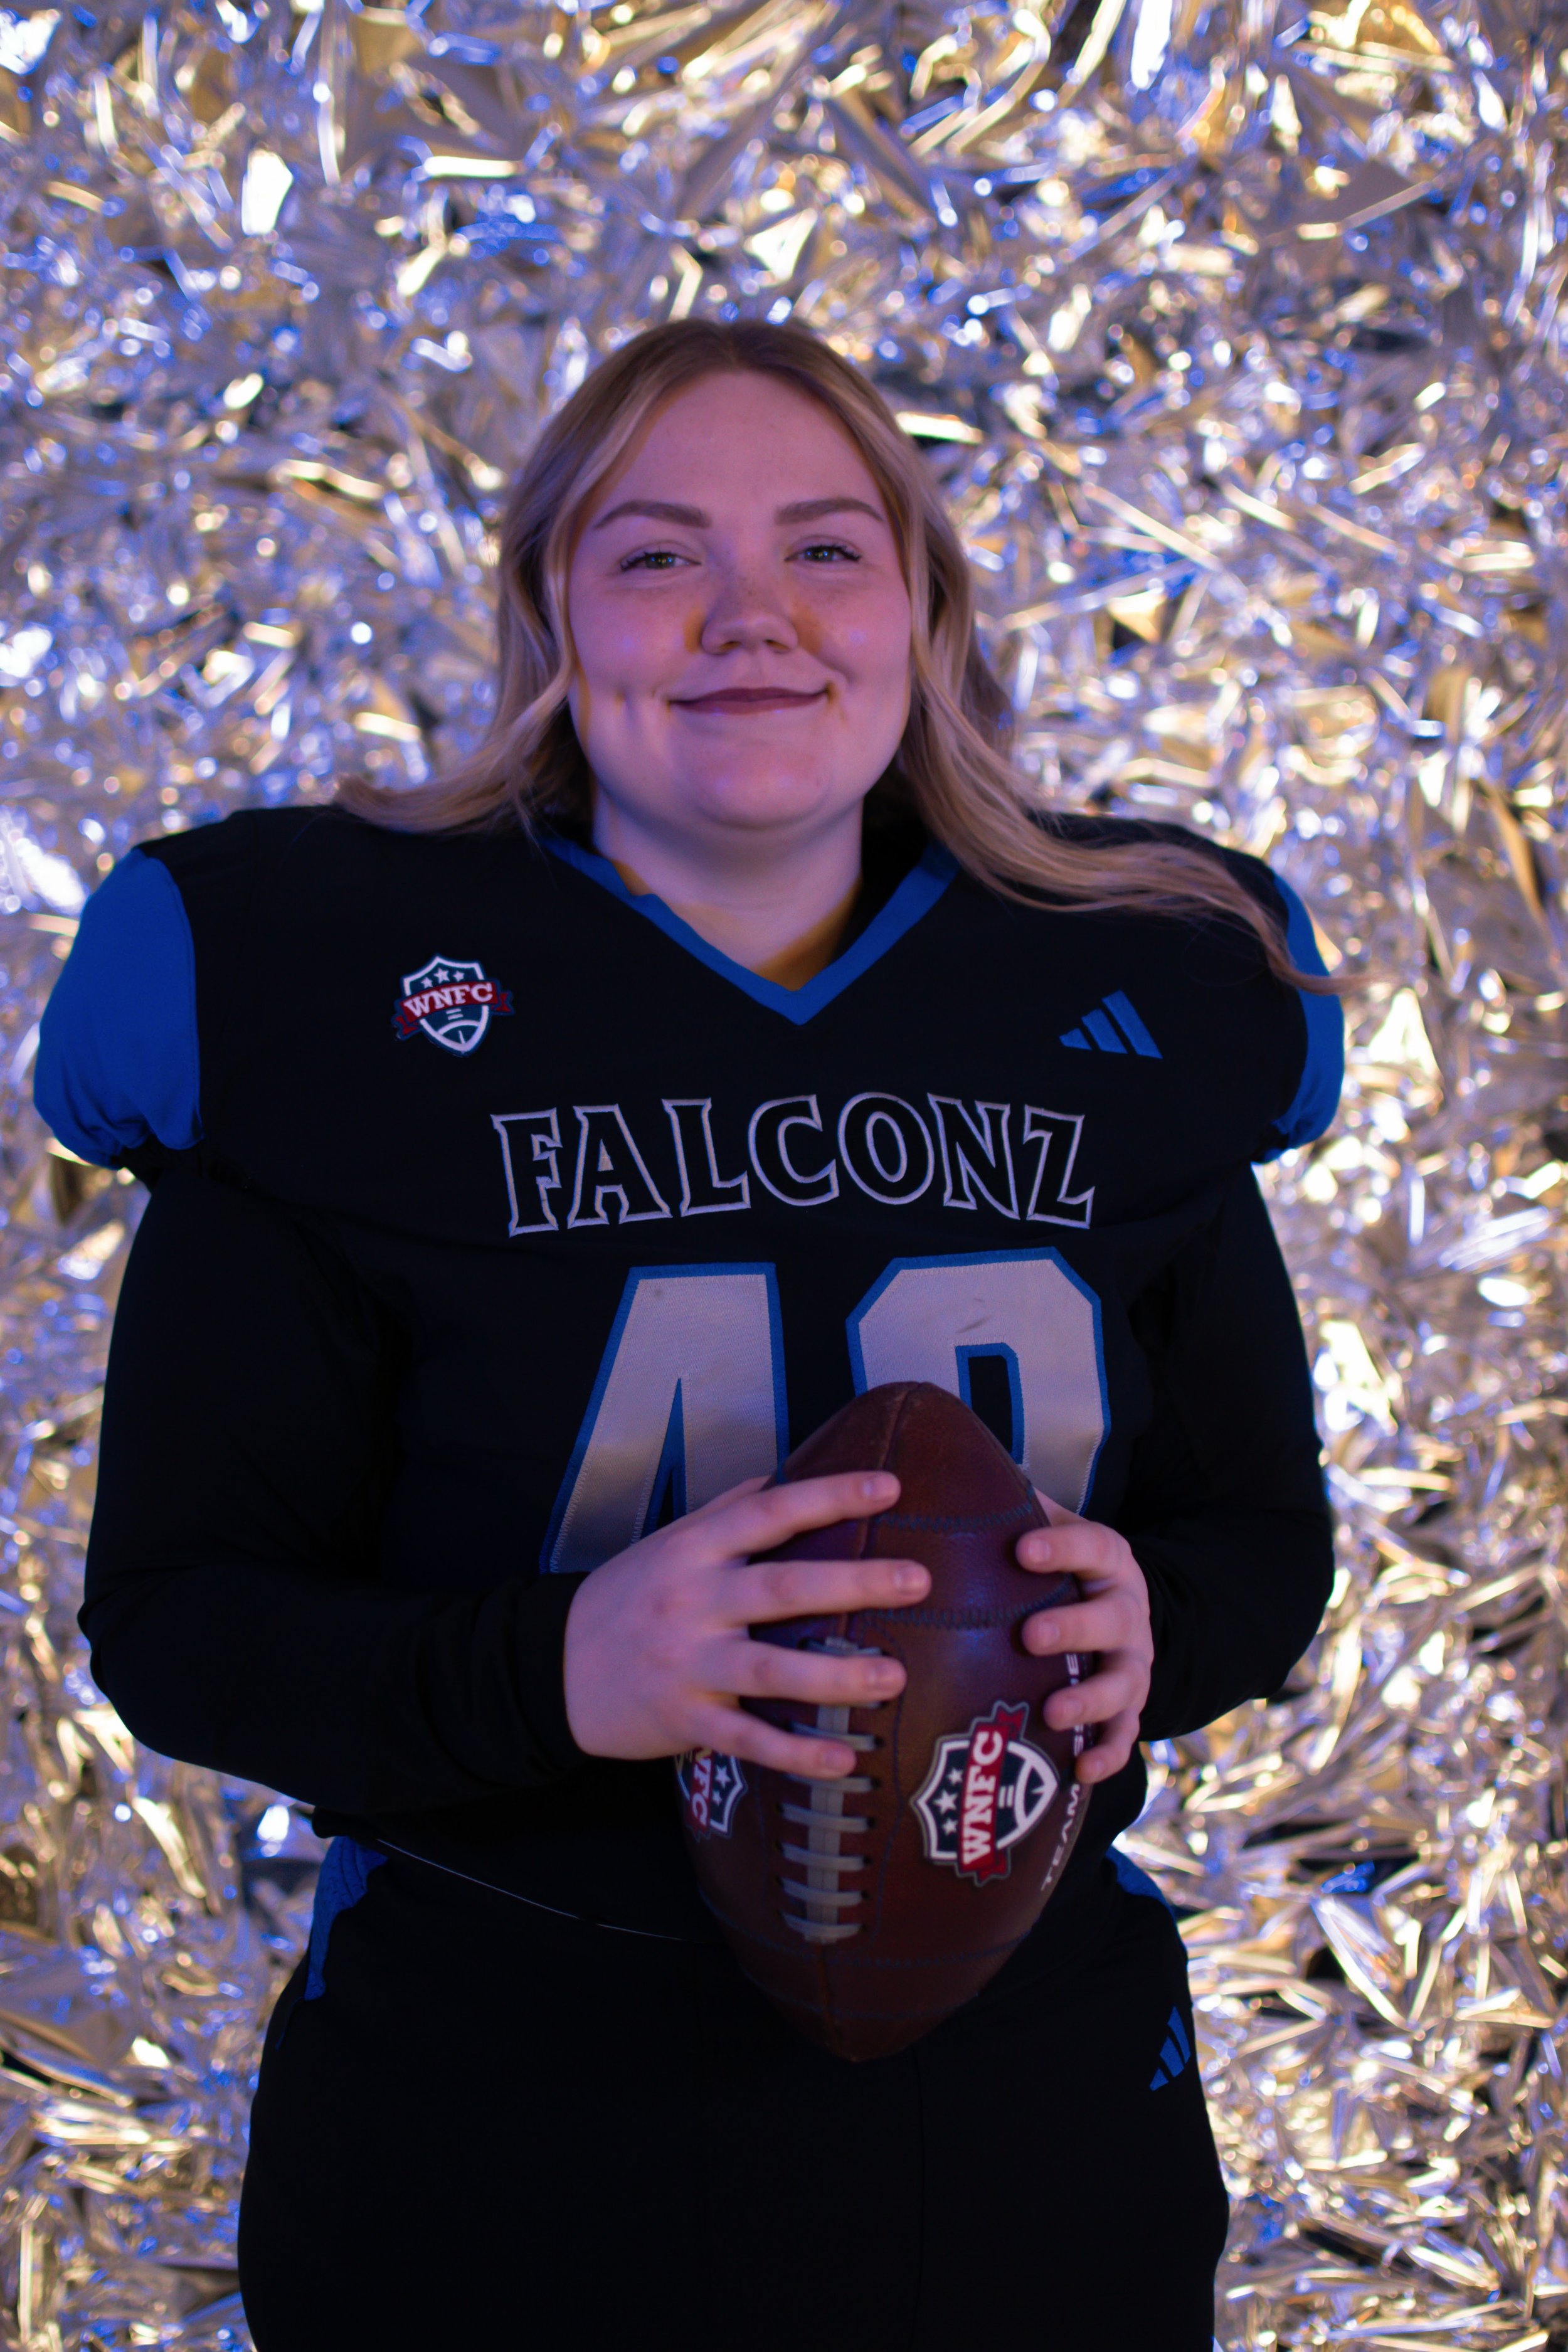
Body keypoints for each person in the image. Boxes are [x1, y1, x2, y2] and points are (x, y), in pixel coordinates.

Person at [36, 319, 1340, 2349]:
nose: (752, 616)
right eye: (657, 554)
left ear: (922, 612)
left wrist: (1145, 1623)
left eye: (825, 549)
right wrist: (572, 1664)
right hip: (498, 2106)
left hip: (1021, 2112)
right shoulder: (313, 978)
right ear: (551, 615)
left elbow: (1257, 1536)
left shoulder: (1144, 969)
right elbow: (180, 1622)